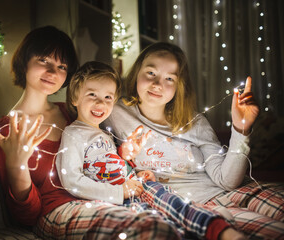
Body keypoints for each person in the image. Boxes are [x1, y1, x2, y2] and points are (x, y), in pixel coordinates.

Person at [0, 26, 181, 239]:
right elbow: (26, 216)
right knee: (149, 229)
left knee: (170, 218)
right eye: (44, 60)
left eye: (62, 66)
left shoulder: (72, 111)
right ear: (24, 60)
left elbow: (100, 159)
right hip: (62, 211)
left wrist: (125, 155)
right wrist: (18, 166)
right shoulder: (5, 132)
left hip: (106, 199)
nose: (53, 72)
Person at [102, 42, 284, 239]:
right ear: (137, 73)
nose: (157, 84)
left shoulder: (196, 123)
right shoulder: (113, 112)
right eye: (151, 73)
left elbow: (227, 181)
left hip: (228, 192)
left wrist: (241, 128)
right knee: (269, 231)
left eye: (169, 78)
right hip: (189, 210)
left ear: (179, 86)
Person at [57, 60, 246, 240]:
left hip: (135, 187)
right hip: (119, 198)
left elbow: (111, 166)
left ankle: (217, 227)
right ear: (75, 97)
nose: (101, 103)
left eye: (108, 97)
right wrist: (118, 192)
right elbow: (72, 180)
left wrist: (133, 167)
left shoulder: (104, 134)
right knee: (155, 222)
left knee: (172, 201)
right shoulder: (73, 134)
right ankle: (207, 226)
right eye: (92, 95)